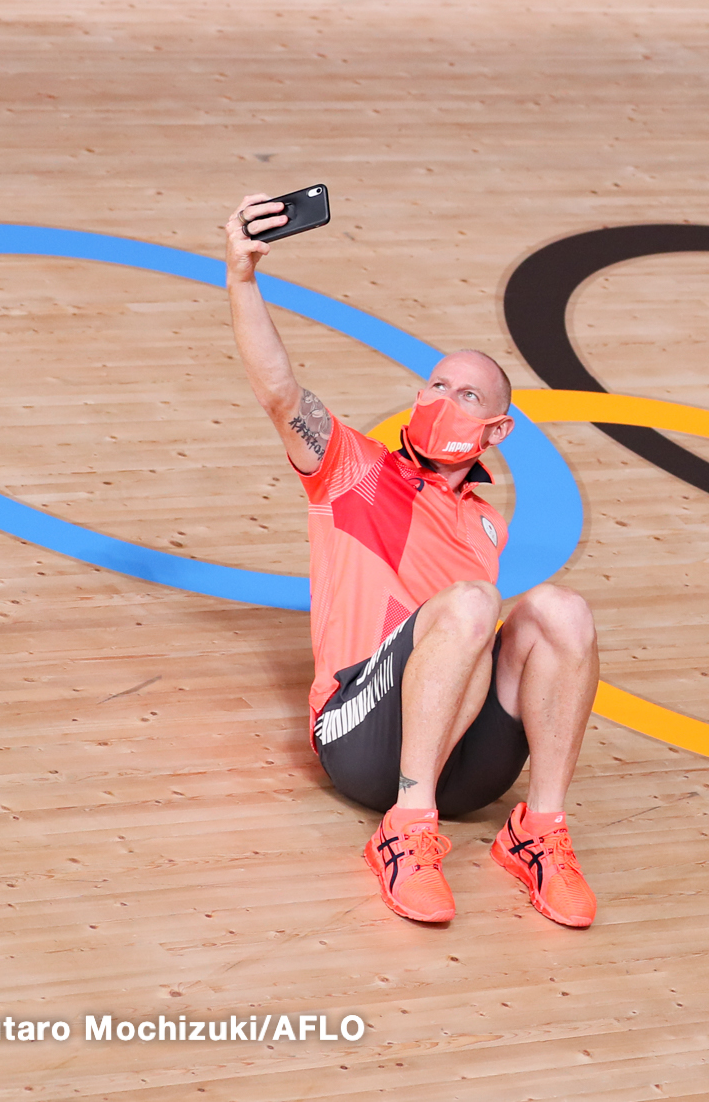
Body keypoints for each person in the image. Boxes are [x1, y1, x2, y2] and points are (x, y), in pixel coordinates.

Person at [224, 193, 601, 927]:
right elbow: (279, 392)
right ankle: (404, 830)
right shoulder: (353, 471)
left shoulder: (488, 521)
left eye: (465, 394)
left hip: (464, 759)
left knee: (562, 610)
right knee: (469, 605)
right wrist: (242, 278)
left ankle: (540, 832)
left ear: (494, 429)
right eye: (435, 384)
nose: (441, 398)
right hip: (359, 733)